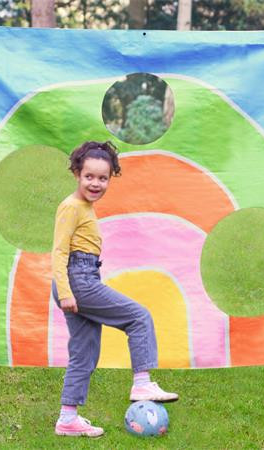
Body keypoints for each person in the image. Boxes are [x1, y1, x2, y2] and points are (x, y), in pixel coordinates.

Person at [51, 141, 178, 437]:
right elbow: (59, 251)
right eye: (89, 176)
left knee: (84, 354)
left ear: (111, 178)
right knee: (139, 317)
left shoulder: (84, 206)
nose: (95, 183)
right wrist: (66, 291)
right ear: (76, 174)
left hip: (82, 278)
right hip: (77, 281)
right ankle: (142, 382)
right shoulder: (71, 206)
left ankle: (67, 418)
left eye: (102, 178)